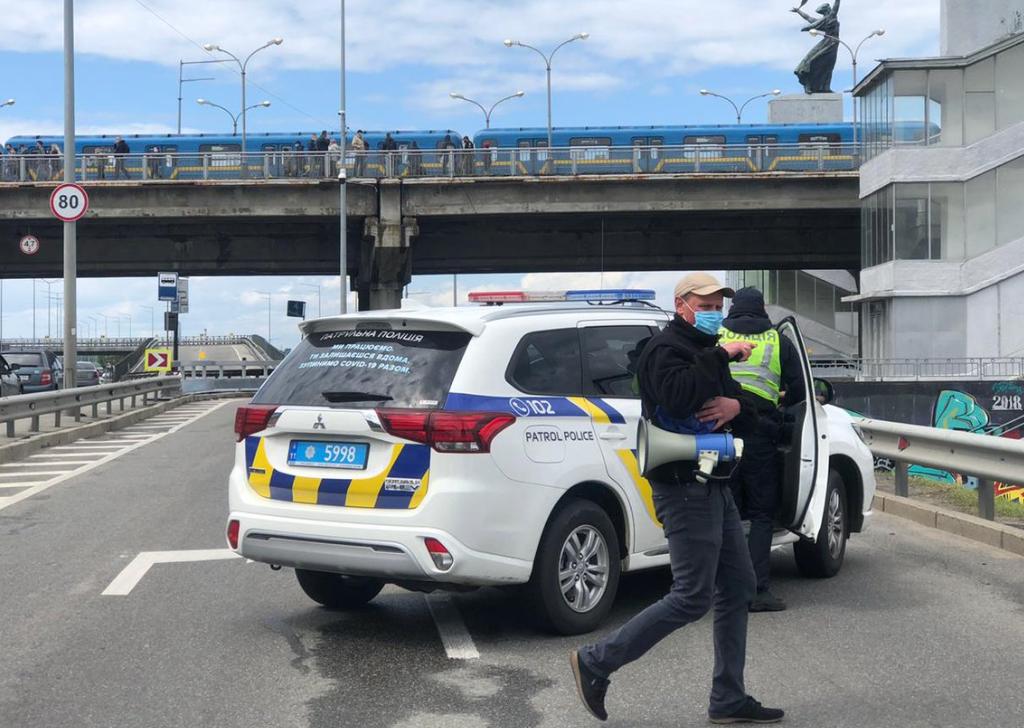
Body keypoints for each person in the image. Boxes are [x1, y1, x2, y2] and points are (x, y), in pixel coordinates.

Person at [571, 272, 785, 726]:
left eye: (717, 304)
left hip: (714, 483)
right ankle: (597, 661)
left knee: (739, 587)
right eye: (704, 304)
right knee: (691, 595)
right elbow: (678, 395)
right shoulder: (664, 350)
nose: (713, 311)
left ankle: (728, 698)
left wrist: (736, 408)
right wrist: (722, 354)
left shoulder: (705, 353)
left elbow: (733, 404)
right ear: (682, 304)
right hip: (684, 487)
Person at [719, 287, 806, 612]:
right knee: (760, 513)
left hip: (718, 431)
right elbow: (798, 391)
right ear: (762, 310)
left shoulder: (717, 336)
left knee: (725, 511)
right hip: (759, 432)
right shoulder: (778, 340)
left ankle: (722, 587)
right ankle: (756, 591)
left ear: (732, 308)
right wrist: (779, 397)